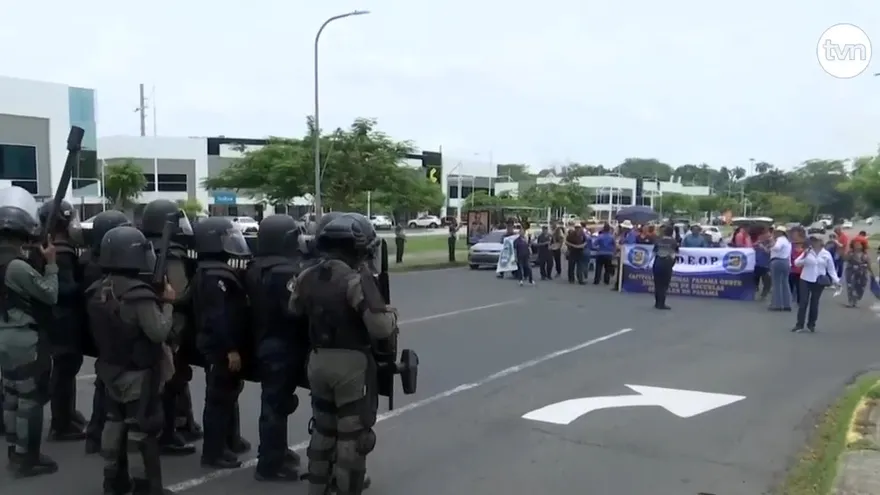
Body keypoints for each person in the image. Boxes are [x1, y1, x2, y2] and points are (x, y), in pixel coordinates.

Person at [289, 212, 395, 495]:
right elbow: (381, 328)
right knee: (352, 437)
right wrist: (390, 315)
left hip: (317, 361)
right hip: (350, 364)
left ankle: (317, 487)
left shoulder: (307, 276)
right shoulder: (356, 280)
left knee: (322, 429)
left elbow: (293, 309)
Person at [86, 225, 175, 495]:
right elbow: (158, 331)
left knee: (113, 424)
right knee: (140, 432)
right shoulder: (139, 295)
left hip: (109, 369)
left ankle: (113, 481)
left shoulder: (97, 289)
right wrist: (169, 303)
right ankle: (144, 487)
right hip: (138, 375)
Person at [0, 186, 59, 477]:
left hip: (4, 336)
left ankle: (15, 450)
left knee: (11, 396)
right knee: (30, 400)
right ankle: (28, 457)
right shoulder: (17, 266)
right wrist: (51, 265)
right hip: (25, 339)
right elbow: (49, 295)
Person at [245, 215, 305, 481]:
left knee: (274, 403)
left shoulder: (255, 267)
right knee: (275, 406)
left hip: (264, 339)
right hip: (282, 343)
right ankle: (269, 464)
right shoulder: (284, 272)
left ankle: (277, 451)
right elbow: (293, 310)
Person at [191, 216, 252, 469]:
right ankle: (213, 452)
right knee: (218, 399)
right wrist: (230, 349)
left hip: (217, 345)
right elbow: (218, 317)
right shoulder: (214, 277)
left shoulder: (209, 271)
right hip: (219, 348)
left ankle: (227, 443)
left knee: (226, 395)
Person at [139, 199, 199, 456]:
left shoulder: (141, 247)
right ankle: (167, 434)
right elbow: (180, 293)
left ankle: (179, 424)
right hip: (169, 324)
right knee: (170, 381)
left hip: (147, 321)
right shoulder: (171, 254)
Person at [82, 209, 133, 455]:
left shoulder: (91, 260)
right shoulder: (97, 267)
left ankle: (97, 435)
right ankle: (98, 436)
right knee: (107, 387)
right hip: (105, 329)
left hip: (98, 330)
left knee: (105, 383)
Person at [38, 200, 88, 442]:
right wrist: (86, 286)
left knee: (67, 368)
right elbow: (64, 290)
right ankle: (61, 423)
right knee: (65, 369)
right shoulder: (62, 252)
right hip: (64, 319)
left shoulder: (49, 247)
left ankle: (67, 413)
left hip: (55, 319)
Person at [792, 234, 840, 332]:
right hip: (805, 279)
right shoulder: (807, 252)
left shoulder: (826, 254)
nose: (814, 243)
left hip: (819, 281)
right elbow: (796, 263)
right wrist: (804, 256)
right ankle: (799, 325)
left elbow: (831, 269)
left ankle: (811, 324)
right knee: (803, 302)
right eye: (812, 241)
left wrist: (836, 281)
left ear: (821, 242)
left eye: (816, 241)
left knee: (814, 303)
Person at [652, 225, 678, 310]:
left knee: (657, 284)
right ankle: (662, 303)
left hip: (657, 262)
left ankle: (657, 303)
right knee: (664, 285)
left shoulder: (658, 240)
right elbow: (674, 254)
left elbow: (654, 252)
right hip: (666, 263)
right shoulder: (673, 242)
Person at [768, 225, 793, 311]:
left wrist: (772, 243)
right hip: (786, 262)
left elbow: (776, 248)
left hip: (777, 261)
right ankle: (787, 304)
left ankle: (777, 304)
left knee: (776, 284)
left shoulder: (780, 240)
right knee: (785, 283)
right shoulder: (788, 241)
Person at [844, 240, 872, 308]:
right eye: (855, 244)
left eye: (859, 244)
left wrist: (872, 272)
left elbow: (869, 264)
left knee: (861, 287)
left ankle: (856, 299)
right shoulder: (851, 253)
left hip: (862, 273)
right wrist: (848, 254)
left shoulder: (865, 254)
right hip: (851, 272)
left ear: (862, 246)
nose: (857, 246)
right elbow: (845, 259)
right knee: (851, 286)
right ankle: (851, 301)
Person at [752, 228, 772, 301]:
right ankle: (754, 292)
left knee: (766, 281)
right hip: (757, 264)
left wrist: (763, 247)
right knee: (754, 279)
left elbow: (769, 252)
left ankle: (764, 294)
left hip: (766, 265)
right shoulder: (759, 242)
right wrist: (757, 244)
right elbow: (751, 247)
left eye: (768, 236)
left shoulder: (771, 243)